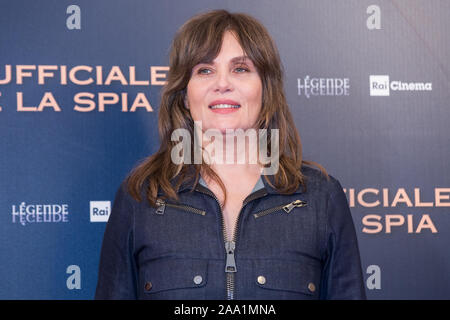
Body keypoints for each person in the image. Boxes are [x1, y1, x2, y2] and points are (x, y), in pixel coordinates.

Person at [95, 9, 366, 300]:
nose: (222, 84)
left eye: (240, 69)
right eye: (205, 70)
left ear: (265, 88)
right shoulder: (141, 196)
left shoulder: (320, 197)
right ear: (185, 95)